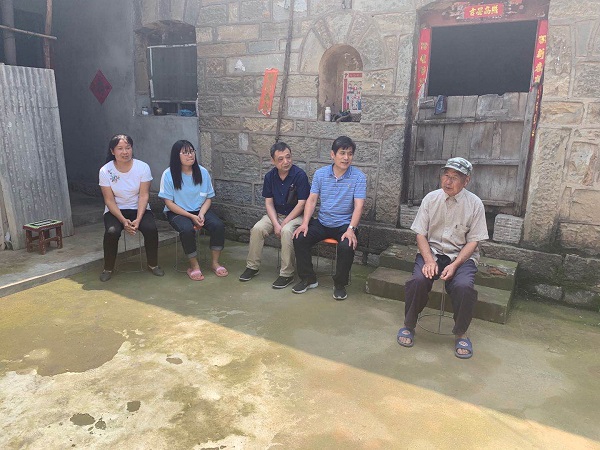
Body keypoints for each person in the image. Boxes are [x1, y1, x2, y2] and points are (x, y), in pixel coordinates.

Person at [397, 157, 489, 359]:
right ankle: (409, 324)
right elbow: (420, 234)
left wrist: (455, 265)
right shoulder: (431, 199)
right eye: (446, 175)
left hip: (461, 256)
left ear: (466, 181)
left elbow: (473, 242)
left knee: (464, 287)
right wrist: (429, 260)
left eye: (455, 177)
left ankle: (461, 333)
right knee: (418, 280)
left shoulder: (475, 204)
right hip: (432, 252)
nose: (448, 181)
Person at [292, 136, 366, 300]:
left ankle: (339, 284)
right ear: (333, 155)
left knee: (347, 245)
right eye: (342, 153)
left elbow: (359, 206)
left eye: (350, 154)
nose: (346, 158)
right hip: (323, 222)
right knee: (300, 237)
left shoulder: (359, 177)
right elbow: (312, 200)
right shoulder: (321, 174)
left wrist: (351, 229)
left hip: (344, 225)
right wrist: (305, 223)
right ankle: (308, 278)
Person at [239, 142, 310, 288]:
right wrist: (276, 223)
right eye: (281, 159)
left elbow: (302, 204)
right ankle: (252, 266)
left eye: (288, 157)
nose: (286, 162)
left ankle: (287, 274)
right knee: (258, 229)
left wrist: (283, 224)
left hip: (296, 216)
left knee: (286, 231)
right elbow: (269, 203)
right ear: (273, 161)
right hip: (276, 214)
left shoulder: (300, 176)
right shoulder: (270, 177)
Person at [159, 140, 228, 281]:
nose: (190, 155)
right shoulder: (168, 174)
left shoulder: (202, 172)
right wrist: (190, 216)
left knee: (218, 225)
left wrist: (201, 213)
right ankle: (194, 266)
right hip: (178, 212)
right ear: (176, 156)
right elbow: (169, 203)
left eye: (191, 151)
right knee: (187, 229)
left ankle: (215, 263)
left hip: (199, 210)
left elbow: (208, 198)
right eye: (185, 153)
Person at [98, 134, 164, 282]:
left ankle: (153, 264)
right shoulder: (105, 171)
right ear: (112, 151)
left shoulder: (142, 167)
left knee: (151, 229)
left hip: (139, 208)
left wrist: (138, 219)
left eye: (128, 148)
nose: (125, 152)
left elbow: (144, 195)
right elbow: (109, 200)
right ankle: (108, 268)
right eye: (120, 148)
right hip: (115, 210)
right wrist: (123, 221)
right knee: (112, 232)